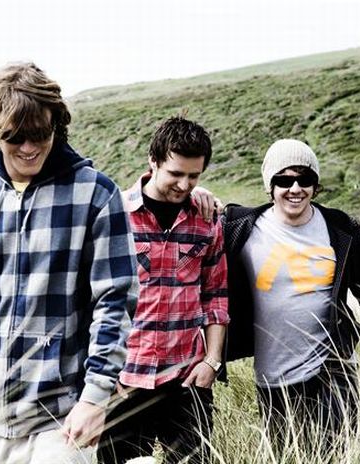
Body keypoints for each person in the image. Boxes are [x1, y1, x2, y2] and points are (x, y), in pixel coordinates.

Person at [0, 62, 138, 463]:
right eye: (14, 137)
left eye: (40, 133)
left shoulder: (96, 194)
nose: (28, 147)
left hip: (62, 418)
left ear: (56, 124)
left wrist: (95, 398)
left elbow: (115, 302)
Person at [222, 139, 360, 456]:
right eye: (284, 180)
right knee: (286, 457)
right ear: (270, 186)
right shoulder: (240, 227)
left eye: (304, 179)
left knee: (333, 455)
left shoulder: (340, 228)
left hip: (333, 367)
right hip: (272, 377)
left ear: (315, 185)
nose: (295, 188)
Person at [98, 116, 229, 463]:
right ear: (153, 162)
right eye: (176, 173)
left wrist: (212, 362)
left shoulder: (207, 219)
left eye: (194, 176)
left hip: (188, 380)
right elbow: (90, 299)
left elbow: (216, 295)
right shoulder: (114, 215)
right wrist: (102, 371)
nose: (184, 184)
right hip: (125, 379)